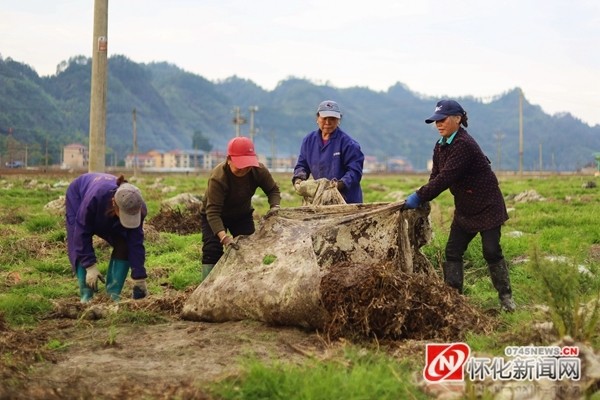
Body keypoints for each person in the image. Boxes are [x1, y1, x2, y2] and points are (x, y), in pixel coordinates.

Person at [403, 99, 516, 312]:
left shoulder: (464, 144)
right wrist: (424, 196)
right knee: (453, 251)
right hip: (465, 207)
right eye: (436, 121)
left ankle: (506, 299)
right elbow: (435, 176)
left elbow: (445, 178)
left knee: (491, 251)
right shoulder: (440, 146)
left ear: (457, 119)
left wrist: (418, 196)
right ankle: (454, 300)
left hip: (488, 205)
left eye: (442, 120)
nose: (438, 125)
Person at [200, 136, 281, 279]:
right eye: (240, 166)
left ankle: (246, 283)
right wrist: (224, 238)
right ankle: (207, 286)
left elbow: (273, 190)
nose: (244, 170)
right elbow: (212, 212)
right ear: (229, 159)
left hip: (241, 215)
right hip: (215, 215)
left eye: (247, 165)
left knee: (248, 248)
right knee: (212, 250)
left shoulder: (258, 171)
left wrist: (275, 208)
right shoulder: (218, 178)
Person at [65, 173, 148, 303]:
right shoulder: (94, 199)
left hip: (107, 207)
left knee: (124, 241)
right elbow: (81, 234)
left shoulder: (137, 206)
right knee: (78, 238)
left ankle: (112, 296)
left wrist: (139, 277)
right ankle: (86, 296)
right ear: (114, 204)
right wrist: (90, 266)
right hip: (79, 196)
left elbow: (135, 242)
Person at [292, 100, 365, 204]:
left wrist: (338, 185)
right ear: (317, 118)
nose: (327, 122)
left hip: (346, 200)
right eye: (324, 118)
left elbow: (354, 172)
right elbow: (302, 165)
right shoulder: (309, 141)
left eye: (332, 119)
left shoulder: (349, 144)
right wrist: (298, 179)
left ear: (338, 120)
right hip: (321, 199)